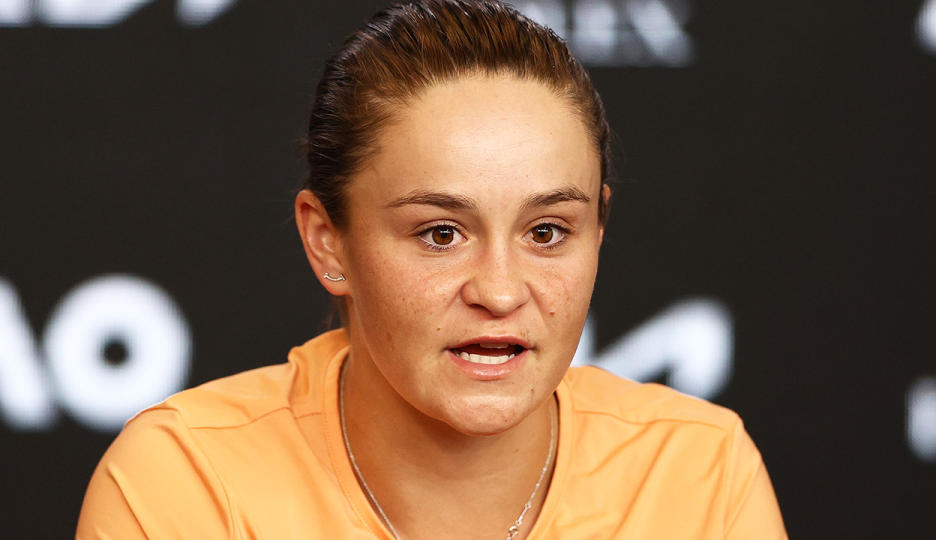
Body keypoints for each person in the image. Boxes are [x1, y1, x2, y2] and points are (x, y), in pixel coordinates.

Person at [76, 1, 787, 538]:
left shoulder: (699, 477)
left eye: (547, 231)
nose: (501, 291)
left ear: (598, 230)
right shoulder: (186, 483)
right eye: (441, 233)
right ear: (329, 243)